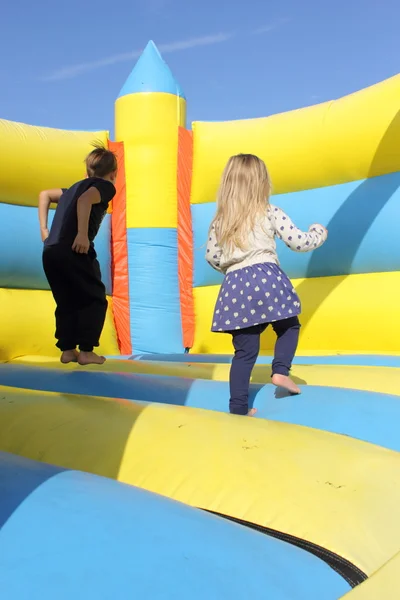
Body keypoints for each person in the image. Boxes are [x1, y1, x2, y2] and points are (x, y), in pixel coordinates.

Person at [206, 154, 327, 416]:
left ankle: (238, 409)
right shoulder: (269, 211)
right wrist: (318, 232)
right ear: (262, 183)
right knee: (288, 325)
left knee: (244, 352)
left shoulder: (219, 222)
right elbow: (298, 241)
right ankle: (281, 371)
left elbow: (212, 257)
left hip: (235, 285)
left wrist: (231, 267)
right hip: (267, 277)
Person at [38, 145, 117, 365]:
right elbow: (85, 201)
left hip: (51, 251)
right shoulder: (105, 186)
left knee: (67, 300)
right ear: (114, 173)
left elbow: (44, 195)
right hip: (75, 249)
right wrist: (82, 235)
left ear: (86, 173)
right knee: (95, 298)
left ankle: (67, 349)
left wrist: (44, 230)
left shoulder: (71, 189)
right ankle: (86, 350)